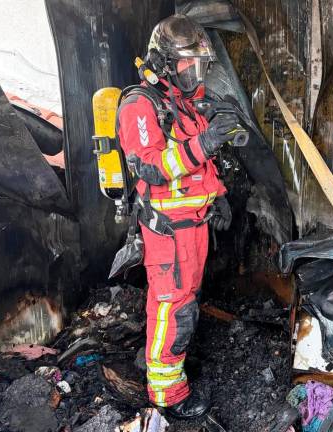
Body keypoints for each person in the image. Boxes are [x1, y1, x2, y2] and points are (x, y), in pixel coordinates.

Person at [116, 14, 236, 424]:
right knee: (173, 309)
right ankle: (168, 394)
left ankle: (166, 363)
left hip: (194, 226)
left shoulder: (183, 103)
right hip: (168, 232)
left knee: (180, 305)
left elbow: (202, 167)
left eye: (198, 66)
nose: (194, 74)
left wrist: (219, 196)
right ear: (164, 63)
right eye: (187, 65)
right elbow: (151, 167)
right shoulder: (139, 105)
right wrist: (206, 141)